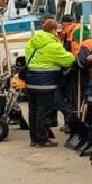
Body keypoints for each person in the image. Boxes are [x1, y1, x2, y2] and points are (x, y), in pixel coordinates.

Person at [23, 16, 75, 146]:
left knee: (33, 111)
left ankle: (34, 139)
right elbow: (68, 60)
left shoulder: (32, 41)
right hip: (45, 83)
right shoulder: (53, 45)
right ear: (53, 30)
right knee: (42, 111)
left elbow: (28, 58)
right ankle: (42, 139)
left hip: (31, 81)